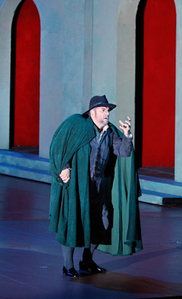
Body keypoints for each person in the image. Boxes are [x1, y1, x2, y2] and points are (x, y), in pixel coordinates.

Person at [49, 95, 142, 278]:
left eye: (108, 110)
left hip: (99, 186)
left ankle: (87, 260)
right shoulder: (78, 125)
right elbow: (60, 146)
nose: (107, 113)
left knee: (102, 222)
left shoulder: (110, 131)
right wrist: (64, 167)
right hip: (78, 184)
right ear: (93, 112)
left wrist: (127, 136)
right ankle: (68, 265)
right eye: (103, 109)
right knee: (73, 222)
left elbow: (123, 152)